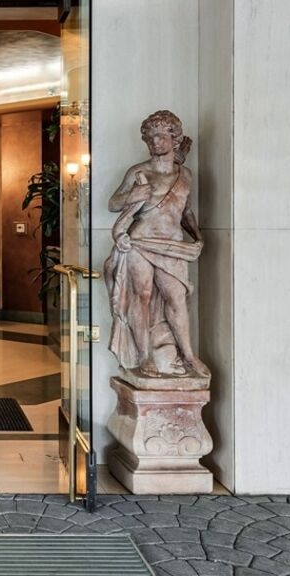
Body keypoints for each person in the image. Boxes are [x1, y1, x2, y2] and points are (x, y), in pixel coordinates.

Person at [103, 110, 210, 379]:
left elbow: (185, 211)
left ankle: (188, 355)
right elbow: (113, 203)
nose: (155, 142)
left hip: (172, 244)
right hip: (140, 242)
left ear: (174, 139)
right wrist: (132, 195)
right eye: (150, 138)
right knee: (142, 296)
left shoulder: (185, 175)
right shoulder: (139, 172)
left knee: (176, 298)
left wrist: (198, 236)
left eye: (160, 136)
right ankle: (144, 356)